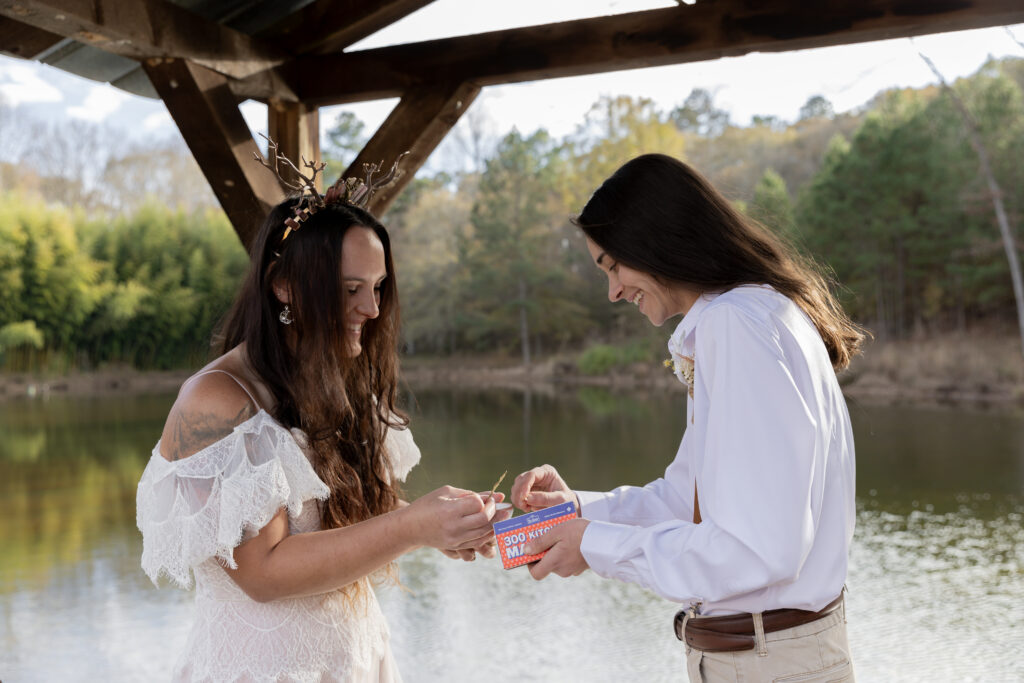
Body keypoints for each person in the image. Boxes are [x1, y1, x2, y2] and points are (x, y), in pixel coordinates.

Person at [136, 157, 504, 682]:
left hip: (354, 662)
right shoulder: (216, 401)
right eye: (351, 289)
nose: (372, 309)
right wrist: (412, 524)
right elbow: (261, 571)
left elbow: (346, 522)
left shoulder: (334, 380)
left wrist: (445, 525)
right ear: (284, 286)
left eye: (377, 288)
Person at [510, 153, 863, 682]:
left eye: (612, 266)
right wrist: (576, 512)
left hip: (769, 665)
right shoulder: (751, 316)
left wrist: (593, 543)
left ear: (655, 241)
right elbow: (685, 502)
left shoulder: (736, 326)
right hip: (769, 658)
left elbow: (756, 550)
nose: (613, 291)